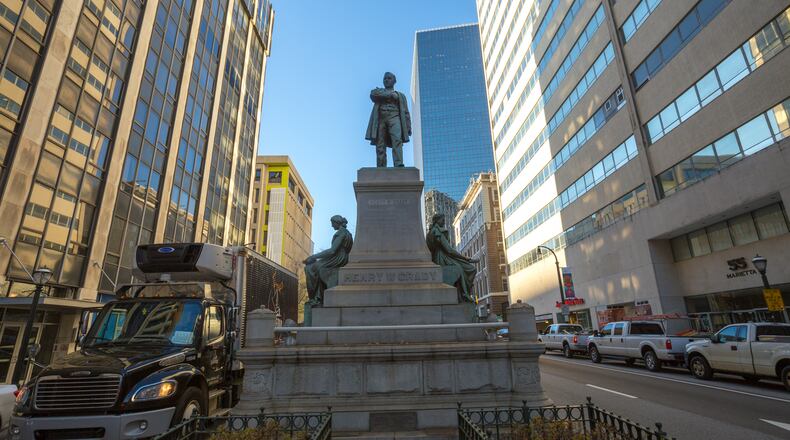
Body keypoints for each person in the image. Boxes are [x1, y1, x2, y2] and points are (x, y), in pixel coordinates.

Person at [426, 214, 478, 302]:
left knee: (469, 268)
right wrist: (466, 259)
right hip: (442, 258)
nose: (444, 221)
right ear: (437, 220)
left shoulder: (432, 232)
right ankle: (464, 293)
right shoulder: (437, 232)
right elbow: (449, 250)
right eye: (442, 219)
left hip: (443, 257)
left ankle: (463, 293)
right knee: (464, 269)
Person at [303, 215, 353, 305]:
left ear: (337, 223)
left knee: (311, 268)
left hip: (338, 258)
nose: (331, 226)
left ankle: (316, 298)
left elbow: (332, 251)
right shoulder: (347, 233)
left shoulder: (341, 233)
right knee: (317, 266)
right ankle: (318, 297)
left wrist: (314, 256)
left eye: (332, 223)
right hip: (342, 257)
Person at [365, 72, 411, 167]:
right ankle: (381, 165)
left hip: (395, 118)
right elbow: (373, 94)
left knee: (397, 140)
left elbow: (406, 112)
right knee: (380, 143)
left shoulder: (400, 95)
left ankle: (398, 164)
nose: (386, 80)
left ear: (394, 81)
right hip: (381, 119)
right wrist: (389, 95)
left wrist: (408, 126)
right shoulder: (378, 91)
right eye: (385, 78)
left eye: (389, 78)